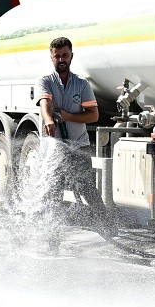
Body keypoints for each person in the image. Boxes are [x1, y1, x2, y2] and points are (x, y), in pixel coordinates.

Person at [37, 35, 103, 212]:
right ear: (51, 57)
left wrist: (67, 117)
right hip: (55, 148)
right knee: (54, 192)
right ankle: (52, 236)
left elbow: (93, 116)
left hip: (79, 145)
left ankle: (108, 228)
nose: (61, 60)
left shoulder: (82, 84)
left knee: (88, 190)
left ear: (71, 56)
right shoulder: (45, 82)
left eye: (65, 55)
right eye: (57, 56)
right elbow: (45, 103)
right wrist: (50, 120)